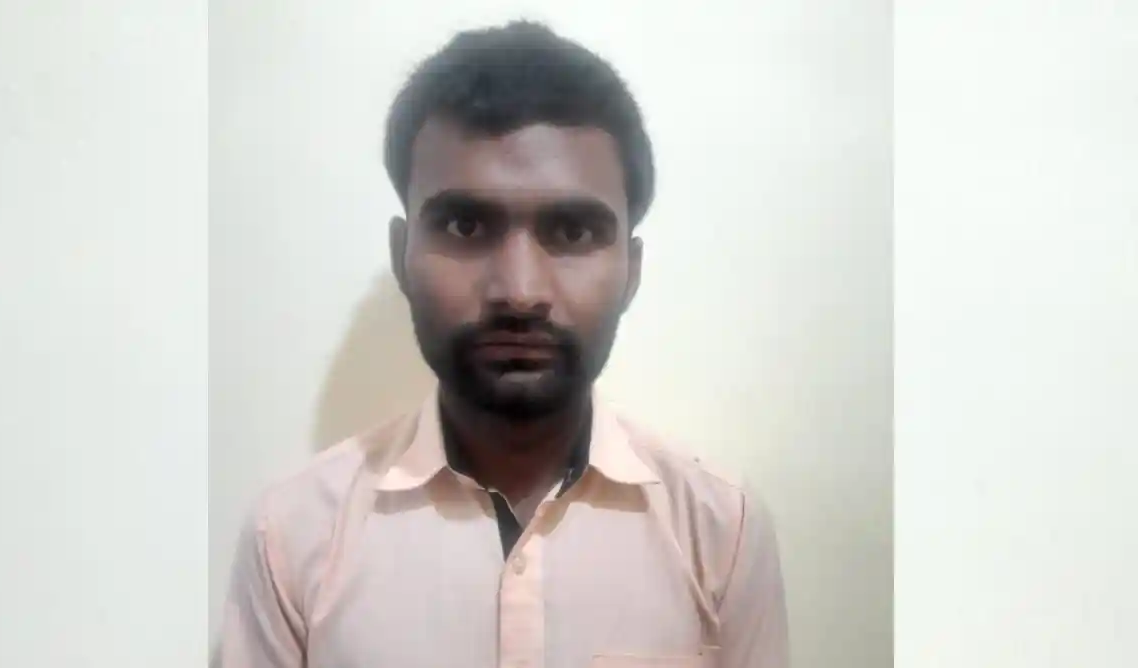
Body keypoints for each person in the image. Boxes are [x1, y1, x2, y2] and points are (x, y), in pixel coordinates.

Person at [219, 20, 789, 668]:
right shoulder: (290, 537)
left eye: (572, 232)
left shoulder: (722, 532)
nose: (519, 292)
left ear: (631, 270)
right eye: (465, 225)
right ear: (401, 256)